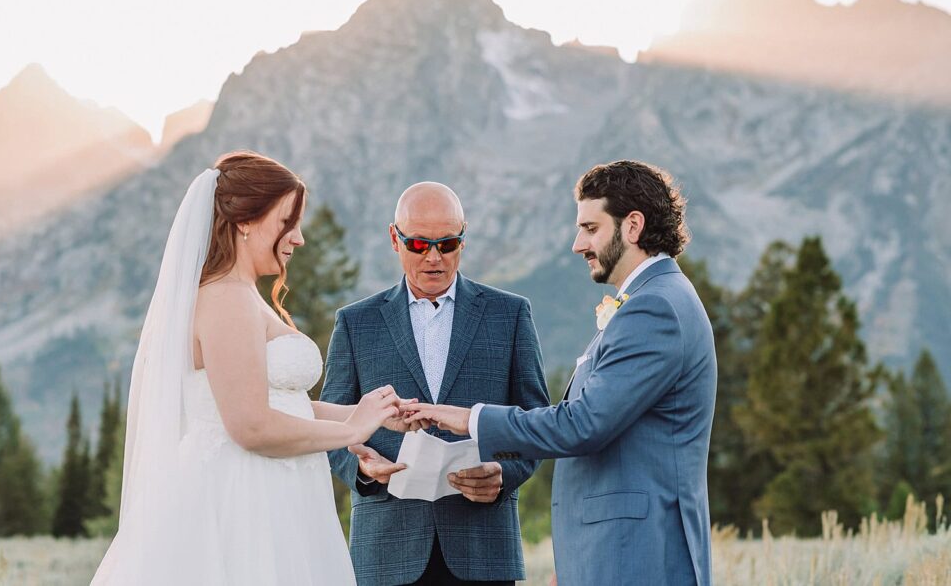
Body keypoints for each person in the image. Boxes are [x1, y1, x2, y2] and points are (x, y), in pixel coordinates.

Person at [92, 151, 406, 585]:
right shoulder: (225, 298)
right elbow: (251, 426)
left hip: (274, 490)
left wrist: (373, 414)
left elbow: (281, 404)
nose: (298, 238)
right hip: (243, 498)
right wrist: (352, 432)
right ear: (244, 221)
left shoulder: (242, 294)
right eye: (286, 222)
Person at [403, 162, 717, 586]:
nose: (577, 244)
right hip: (613, 551)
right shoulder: (652, 299)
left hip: (639, 552)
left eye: (590, 227)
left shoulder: (655, 307)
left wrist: (471, 418)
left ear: (633, 226)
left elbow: (584, 425)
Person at [321, 182, 551, 585]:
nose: (434, 257)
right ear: (395, 238)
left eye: (447, 245)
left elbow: (534, 420)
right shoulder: (356, 323)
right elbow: (332, 428)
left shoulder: (510, 314)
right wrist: (360, 468)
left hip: (483, 547)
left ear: (463, 238)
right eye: (419, 244)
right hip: (386, 552)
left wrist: (503, 472)